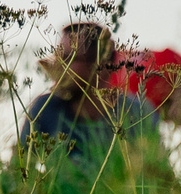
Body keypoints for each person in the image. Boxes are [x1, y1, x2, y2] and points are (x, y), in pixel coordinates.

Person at [23, 22, 160, 160]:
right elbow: (18, 171)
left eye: (69, 58)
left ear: (103, 66)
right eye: (58, 58)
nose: (58, 67)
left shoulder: (138, 115)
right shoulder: (44, 109)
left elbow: (159, 175)